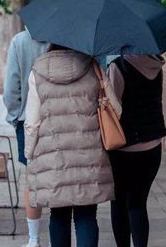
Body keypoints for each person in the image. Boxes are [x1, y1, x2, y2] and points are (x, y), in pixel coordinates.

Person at [24, 44, 121, 247]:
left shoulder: (38, 72)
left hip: (53, 159)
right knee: (86, 215)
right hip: (90, 157)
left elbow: (32, 123)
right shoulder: (93, 67)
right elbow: (116, 111)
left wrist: (29, 154)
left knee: (58, 215)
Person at [3, 0, 54, 247]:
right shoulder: (65, 41)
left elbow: (11, 88)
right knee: (58, 177)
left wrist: (16, 118)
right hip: (59, 122)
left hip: (27, 123)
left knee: (32, 180)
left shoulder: (20, 42)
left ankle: (33, 240)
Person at [107, 54, 166, 247]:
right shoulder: (156, 66)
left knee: (118, 203)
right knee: (138, 204)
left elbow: (113, 110)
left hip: (123, 150)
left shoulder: (118, 67)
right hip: (152, 149)